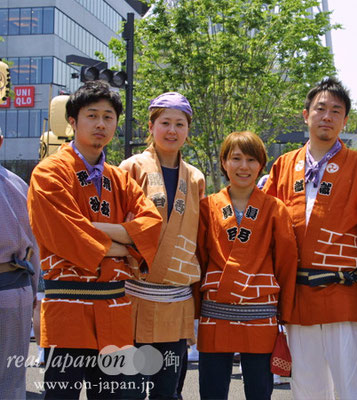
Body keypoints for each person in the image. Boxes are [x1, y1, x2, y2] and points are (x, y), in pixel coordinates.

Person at [27, 80, 162, 399]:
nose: (101, 124)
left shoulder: (120, 179)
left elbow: (152, 226)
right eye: (92, 115)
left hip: (115, 308)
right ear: (72, 121)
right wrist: (126, 241)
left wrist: (91, 228)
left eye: (108, 116)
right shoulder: (48, 174)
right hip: (68, 308)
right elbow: (64, 234)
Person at [263, 77, 357, 399]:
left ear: (345, 120)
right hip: (297, 297)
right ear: (306, 114)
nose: (327, 116)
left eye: (336, 111)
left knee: (351, 386)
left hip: (343, 293)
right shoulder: (284, 165)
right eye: (320, 109)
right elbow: (266, 225)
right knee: (307, 387)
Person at [196, 131, 298, 400]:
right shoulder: (206, 207)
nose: (243, 166)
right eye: (236, 158)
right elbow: (199, 259)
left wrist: (284, 313)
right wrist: (193, 311)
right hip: (215, 310)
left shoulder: (276, 209)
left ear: (262, 165)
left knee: (259, 391)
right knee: (212, 390)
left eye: (251, 160)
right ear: (223, 162)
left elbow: (286, 264)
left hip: (260, 311)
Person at [119, 92, 205, 399]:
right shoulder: (131, 167)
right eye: (165, 122)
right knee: (125, 388)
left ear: (187, 130)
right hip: (134, 298)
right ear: (151, 126)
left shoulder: (195, 177)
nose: (172, 130)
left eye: (179, 124)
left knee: (167, 390)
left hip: (175, 301)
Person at [0, 130, 41, 398]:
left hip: (14, 290)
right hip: (16, 291)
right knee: (10, 382)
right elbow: (34, 247)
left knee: (11, 381)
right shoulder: (18, 184)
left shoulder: (17, 184)